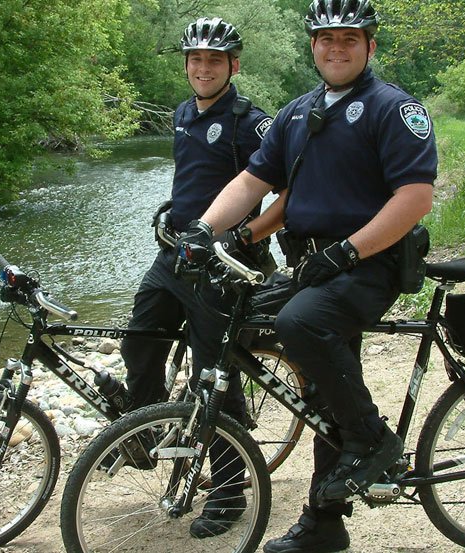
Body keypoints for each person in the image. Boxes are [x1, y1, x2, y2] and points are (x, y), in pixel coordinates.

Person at [177, 1, 437, 551]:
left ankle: (372, 441)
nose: (336, 48)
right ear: (313, 46)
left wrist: (346, 253)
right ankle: (324, 523)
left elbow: (414, 198)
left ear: (369, 44)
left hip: (371, 262)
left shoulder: (394, 108)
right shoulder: (298, 112)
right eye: (325, 39)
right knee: (283, 351)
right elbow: (252, 182)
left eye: (349, 38)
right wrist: (205, 230)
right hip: (312, 263)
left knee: (301, 324)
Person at [119, 17, 274, 539]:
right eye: (196, 60)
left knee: (214, 376)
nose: (203, 68)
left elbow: (288, 190)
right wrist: (173, 211)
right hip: (177, 254)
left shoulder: (251, 121)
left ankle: (229, 491)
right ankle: (145, 430)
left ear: (234, 66)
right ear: (186, 65)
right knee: (140, 340)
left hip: (224, 263)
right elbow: (196, 180)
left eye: (215, 60)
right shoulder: (184, 113)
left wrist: (244, 237)